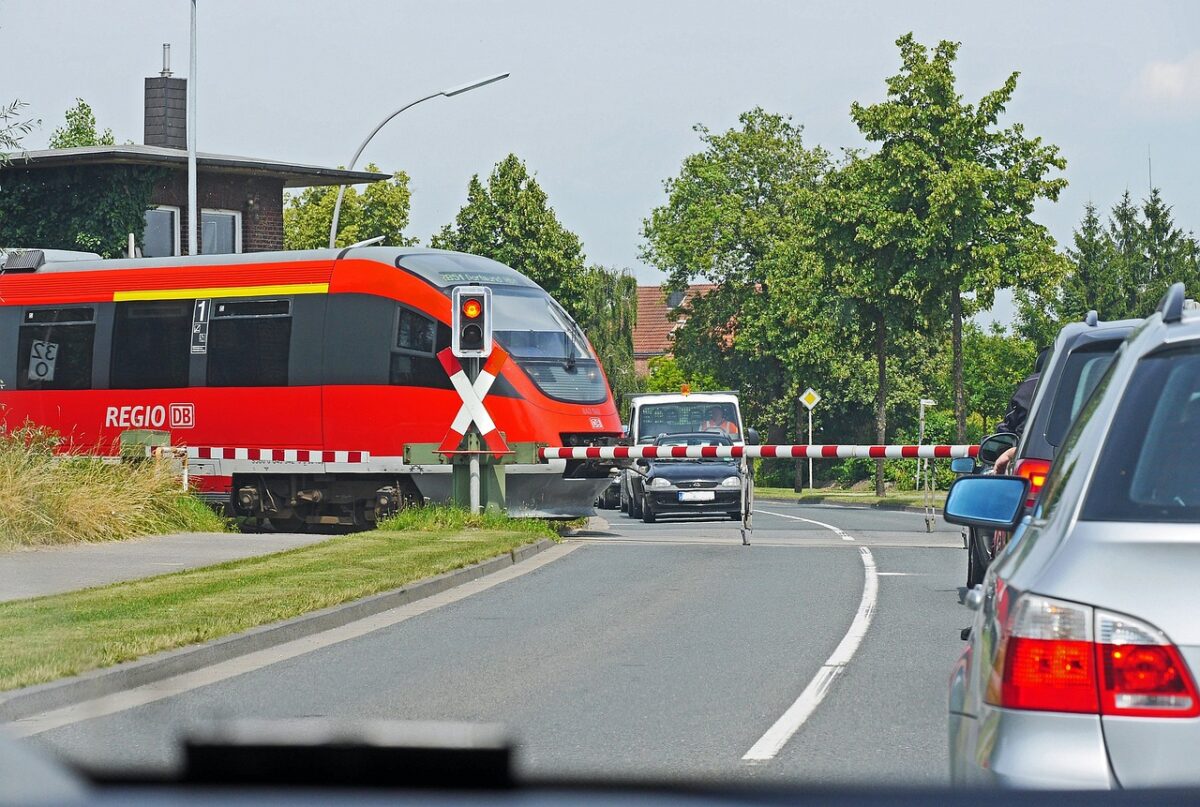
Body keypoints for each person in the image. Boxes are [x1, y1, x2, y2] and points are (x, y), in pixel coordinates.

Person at [994, 347, 1050, 474]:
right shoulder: (1079, 384)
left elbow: (1007, 426)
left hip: (1026, 455)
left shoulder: (1027, 385)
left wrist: (1006, 451)